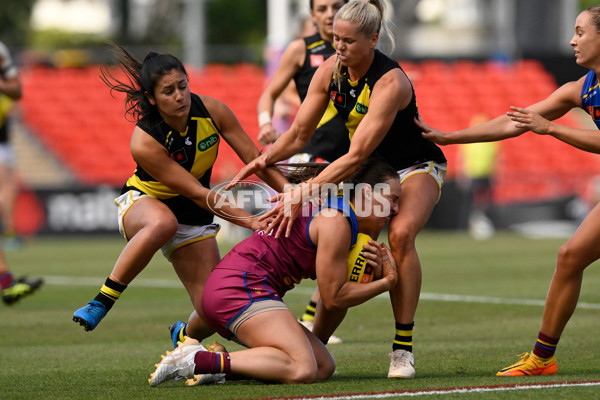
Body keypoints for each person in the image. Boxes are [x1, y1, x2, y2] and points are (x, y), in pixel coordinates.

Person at [228, 0, 447, 379]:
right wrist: (263, 160)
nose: (339, 47)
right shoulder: (331, 69)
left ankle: (402, 349)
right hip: (371, 170)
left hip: (414, 167)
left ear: (373, 39)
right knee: (349, 248)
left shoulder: (390, 82)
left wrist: (303, 191)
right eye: (334, 39)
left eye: (347, 41)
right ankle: (317, 347)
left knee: (400, 234)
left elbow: (356, 152)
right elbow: (298, 134)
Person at [417, 5, 600, 377]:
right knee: (570, 256)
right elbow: (514, 122)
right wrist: (451, 137)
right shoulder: (582, 88)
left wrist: (549, 129)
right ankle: (542, 358)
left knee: (569, 255)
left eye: (580, 32)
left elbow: (543, 126)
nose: (571, 40)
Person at [72, 43, 287, 336]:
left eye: (182, 86)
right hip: (145, 202)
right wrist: (249, 220)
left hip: (192, 215)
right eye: (168, 91)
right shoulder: (145, 141)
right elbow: (198, 193)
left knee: (217, 309)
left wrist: (292, 193)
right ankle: (103, 300)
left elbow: (257, 160)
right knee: (163, 222)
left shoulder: (213, 111)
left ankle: (184, 336)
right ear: (151, 98)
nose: (179, 96)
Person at [149, 158, 401, 386]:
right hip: (241, 289)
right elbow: (334, 297)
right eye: (393, 199)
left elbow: (332, 300)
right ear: (369, 193)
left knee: (322, 365)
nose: (396, 209)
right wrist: (387, 281)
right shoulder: (336, 221)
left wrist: (313, 346)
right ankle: (196, 360)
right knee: (302, 369)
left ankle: (216, 364)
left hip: (234, 287)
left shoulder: (335, 211)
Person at [257, 0, 349, 343]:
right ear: (311, 14)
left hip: (354, 161)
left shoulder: (356, 47)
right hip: (313, 161)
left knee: (348, 239)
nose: (329, 14)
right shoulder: (302, 49)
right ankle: (266, 310)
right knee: (299, 238)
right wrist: (266, 123)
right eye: (322, 8)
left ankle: (311, 319)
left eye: (336, 6)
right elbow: (269, 94)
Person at [0, 40, 23, 249]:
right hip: (3, 145)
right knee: (6, 190)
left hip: (4, 143)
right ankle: (8, 233)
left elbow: (16, 93)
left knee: (8, 190)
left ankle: (9, 232)